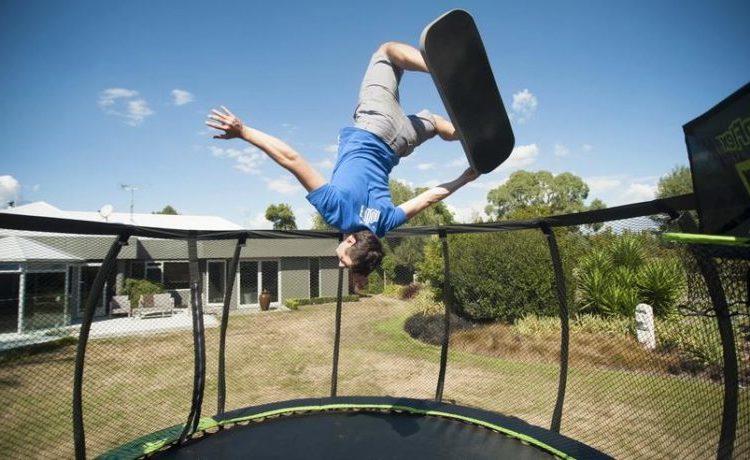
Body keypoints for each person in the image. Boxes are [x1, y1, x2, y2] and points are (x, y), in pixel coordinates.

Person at [207, 42, 480, 275]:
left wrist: (464, 178)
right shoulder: (336, 212)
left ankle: (462, 132)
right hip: (376, 123)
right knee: (386, 52)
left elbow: (427, 198)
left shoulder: (383, 225)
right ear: (350, 240)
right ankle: (441, 70)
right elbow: (291, 158)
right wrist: (243, 132)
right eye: (343, 259)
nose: (339, 263)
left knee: (432, 122)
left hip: (401, 142)